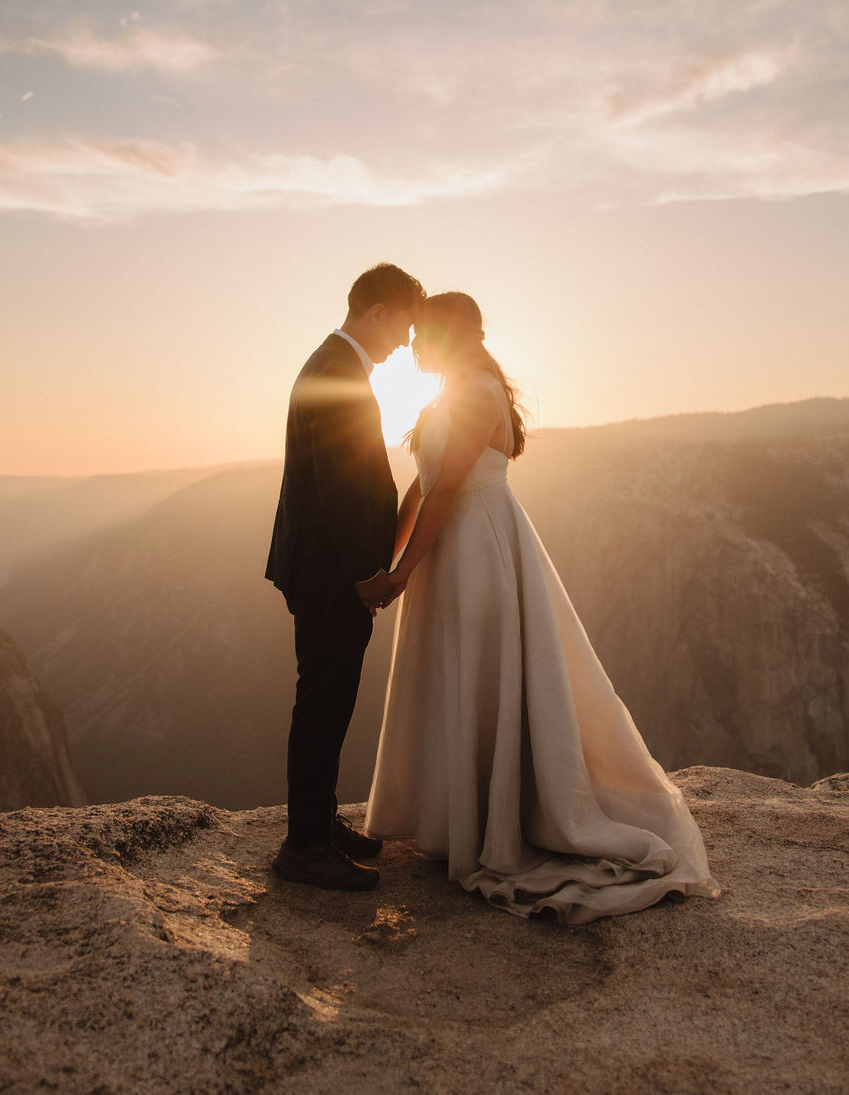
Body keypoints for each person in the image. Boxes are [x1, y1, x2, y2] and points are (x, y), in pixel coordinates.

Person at [365, 292, 720, 923]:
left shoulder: (476, 392)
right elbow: (421, 484)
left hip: (479, 546)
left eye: (425, 335)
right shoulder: (449, 393)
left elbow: (448, 489)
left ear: (454, 336)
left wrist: (401, 575)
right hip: (450, 548)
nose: (415, 346)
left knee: (483, 673)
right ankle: (461, 819)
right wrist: (391, 560)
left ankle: (497, 824)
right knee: (458, 676)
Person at [266, 262, 425, 892]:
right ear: (378, 312)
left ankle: (318, 824)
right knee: (323, 706)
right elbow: (337, 487)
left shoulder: (334, 364)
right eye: (405, 326)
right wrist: (366, 576)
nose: (406, 343)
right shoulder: (337, 372)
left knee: (327, 703)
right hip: (331, 575)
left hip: (324, 570)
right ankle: (303, 846)